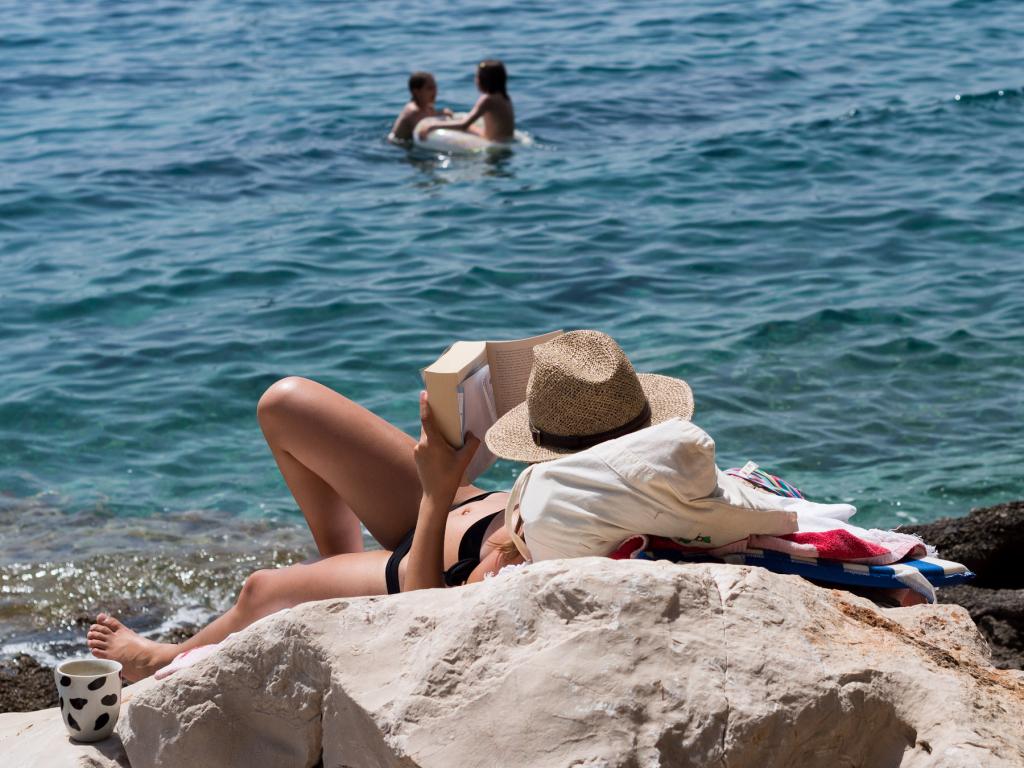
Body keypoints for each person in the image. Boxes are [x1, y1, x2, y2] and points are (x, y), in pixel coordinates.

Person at [86, 331, 694, 681]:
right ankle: (335, 581)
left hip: (423, 558)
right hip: (467, 505)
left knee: (261, 591)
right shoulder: (644, 474)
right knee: (286, 405)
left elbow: (430, 605)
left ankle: (160, 658)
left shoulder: (564, 539)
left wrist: (436, 489)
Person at [417, 59, 515, 143]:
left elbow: (464, 125)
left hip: (494, 142)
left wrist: (432, 126)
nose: (475, 80)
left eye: (477, 76)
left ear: (484, 80)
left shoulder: (487, 99)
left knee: (459, 124)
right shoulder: (504, 96)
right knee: (464, 124)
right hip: (505, 140)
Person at [389, 71, 452, 143]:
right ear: (416, 92)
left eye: (435, 87)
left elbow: (428, 117)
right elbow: (426, 126)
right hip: (397, 147)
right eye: (430, 88)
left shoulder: (428, 107)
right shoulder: (413, 111)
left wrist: (441, 112)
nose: (435, 92)